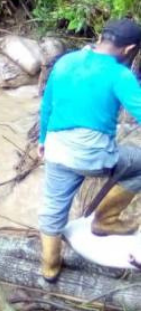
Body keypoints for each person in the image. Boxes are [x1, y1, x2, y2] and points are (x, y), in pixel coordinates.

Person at [38, 19, 141, 283]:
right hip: (93, 158)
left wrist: (41, 140)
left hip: (55, 149)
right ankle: (105, 220)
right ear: (129, 49)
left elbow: (47, 105)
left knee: (53, 206)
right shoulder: (120, 75)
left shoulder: (65, 62)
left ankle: (50, 266)